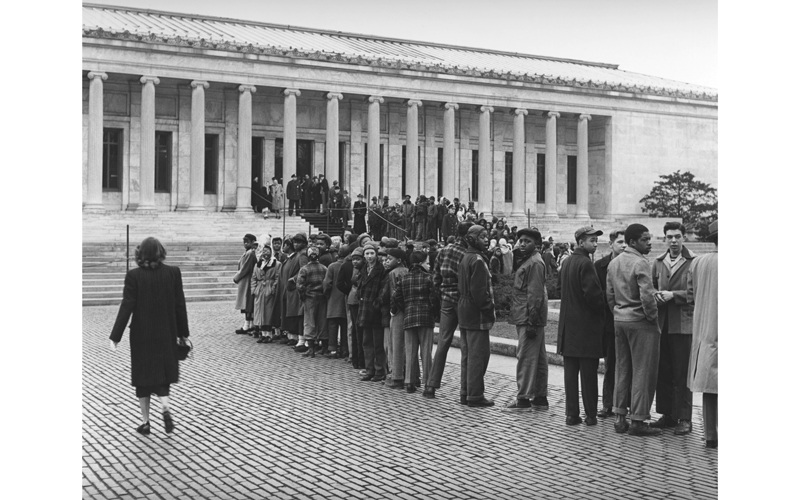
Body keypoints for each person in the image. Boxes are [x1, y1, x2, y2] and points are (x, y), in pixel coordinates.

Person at [110, 237, 189, 435]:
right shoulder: (173, 273)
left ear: (140, 254)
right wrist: (183, 334)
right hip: (166, 332)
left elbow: (127, 306)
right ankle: (165, 406)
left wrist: (115, 336)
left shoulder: (134, 276)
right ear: (161, 252)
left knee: (142, 377)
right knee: (162, 374)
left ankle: (145, 422)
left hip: (141, 334)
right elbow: (180, 305)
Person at [606, 223, 662, 436]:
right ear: (633, 242)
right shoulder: (641, 263)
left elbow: (610, 295)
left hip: (620, 320)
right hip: (640, 322)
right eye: (645, 239)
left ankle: (620, 418)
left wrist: (618, 313)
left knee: (623, 368)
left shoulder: (614, 262)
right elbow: (647, 296)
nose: (649, 243)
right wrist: (652, 318)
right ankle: (638, 420)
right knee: (642, 371)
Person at [557, 226, 607, 426]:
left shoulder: (568, 261)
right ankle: (591, 415)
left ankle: (571, 414)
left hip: (568, 329)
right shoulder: (586, 263)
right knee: (588, 375)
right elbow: (594, 297)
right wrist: (603, 308)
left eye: (596, 240)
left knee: (570, 375)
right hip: (585, 329)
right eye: (591, 240)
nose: (595, 244)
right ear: (580, 243)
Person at [651, 222, 697, 436]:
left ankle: (685, 418)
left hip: (683, 325)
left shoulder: (693, 262)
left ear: (684, 237)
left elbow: (696, 293)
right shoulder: (659, 262)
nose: (673, 241)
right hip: (662, 324)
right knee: (664, 371)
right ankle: (667, 414)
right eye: (669, 237)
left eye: (677, 236)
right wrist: (656, 296)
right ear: (664, 239)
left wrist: (674, 295)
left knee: (682, 372)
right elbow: (650, 286)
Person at [425, 221, 474, 399]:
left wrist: (441, 294)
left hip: (446, 298)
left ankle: (431, 385)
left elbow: (435, 276)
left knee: (443, 342)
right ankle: (464, 390)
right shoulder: (469, 254)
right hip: (462, 300)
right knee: (466, 345)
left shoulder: (444, 250)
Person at [504, 228, 549, 412]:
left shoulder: (535, 263)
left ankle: (523, 399)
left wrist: (532, 321)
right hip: (526, 314)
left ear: (536, 244)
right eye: (520, 240)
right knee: (538, 359)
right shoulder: (528, 260)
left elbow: (536, 295)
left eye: (527, 241)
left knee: (526, 357)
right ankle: (539, 398)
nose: (522, 244)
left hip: (529, 316)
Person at [686, 220, 718, 449]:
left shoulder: (698, 263)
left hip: (705, 330)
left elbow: (690, 297)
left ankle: (710, 434)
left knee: (710, 386)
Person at [458, 224, 496, 407]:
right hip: (476, 313)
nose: (486, 240)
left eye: (487, 236)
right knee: (478, 355)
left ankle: (465, 392)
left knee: (467, 354)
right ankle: (475, 395)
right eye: (482, 237)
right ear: (473, 239)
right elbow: (480, 293)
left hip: (464, 310)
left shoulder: (466, 257)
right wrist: (489, 309)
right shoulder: (478, 260)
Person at [594, 229, 627, 418]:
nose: (623, 245)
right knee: (610, 365)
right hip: (608, 324)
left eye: (625, 242)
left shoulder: (632, 264)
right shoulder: (599, 266)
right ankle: (608, 404)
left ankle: (624, 404)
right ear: (611, 244)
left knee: (626, 365)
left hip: (628, 321)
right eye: (620, 242)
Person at [392, 250, 436, 393]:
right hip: (426, 317)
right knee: (426, 352)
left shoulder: (404, 278)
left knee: (410, 351)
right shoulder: (429, 278)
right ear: (422, 263)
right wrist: (432, 309)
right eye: (428, 262)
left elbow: (396, 297)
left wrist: (406, 307)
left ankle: (409, 382)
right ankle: (429, 383)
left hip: (409, 316)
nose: (430, 265)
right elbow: (435, 297)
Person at [357, 243, 387, 382]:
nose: (369, 256)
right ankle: (369, 369)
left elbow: (383, 289)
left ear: (376, 254)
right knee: (366, 341)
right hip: (364, 307)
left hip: (375, 309)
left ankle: (379, 370)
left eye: (372, 253)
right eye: (367, 254)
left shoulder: (381, 270)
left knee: (378, 342)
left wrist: (378, 302)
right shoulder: (363, 269)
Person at [382, 247, 410, 389]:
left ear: (398, 260)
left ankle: (396, 375)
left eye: (390, 259)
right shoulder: (407, 271)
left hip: (398, 311)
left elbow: (394, 294)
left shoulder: (393, 273)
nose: (387, 261)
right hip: (407, 310)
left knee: (396, 343)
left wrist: (393, 309)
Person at [279, 233, 310, 349]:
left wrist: (294, 279)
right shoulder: (297, 254)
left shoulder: (302, 255)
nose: (296, 244)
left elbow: (304, 270)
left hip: (299, 288)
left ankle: (302, 340)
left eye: (299, 242)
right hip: (294, 288)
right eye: (295, 242)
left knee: (300, 315)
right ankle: (299, 338)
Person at [296, 245, 328, 358]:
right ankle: (324, 347)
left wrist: (303, 296)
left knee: (309, 322)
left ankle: (311, 349)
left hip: (309, 298)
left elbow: (300, 286)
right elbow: (327, 283)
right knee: (322, 321)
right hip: (322, 298)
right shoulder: (324, 268)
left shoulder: (304, 269)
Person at [251, 238, 282, 343]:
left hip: (269, 288)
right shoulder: (258, 264)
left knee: (268, 312)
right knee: (260, 312)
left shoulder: (276, 264)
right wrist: (254, 289)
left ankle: (269, 334)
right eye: (264, 251)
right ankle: (263, 334)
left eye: (267, 251)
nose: (265, 253)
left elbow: (278, 277)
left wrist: (273, 288)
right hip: (259, 289)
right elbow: (254, 277)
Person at [323, 245, 349, 359]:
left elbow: (327, 283)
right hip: (345, 299)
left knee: (333, 325)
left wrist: (327, 295)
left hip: (333, 299)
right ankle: (344, 349)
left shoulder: (332, 266)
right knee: (344, 326)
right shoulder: (348, 265)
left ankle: (332, 350)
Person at [234, 234, 258, 335]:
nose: (245, 244)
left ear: (253, 242)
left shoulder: (250, 253)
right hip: (244, 281)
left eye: (248, 241)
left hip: (247, 280)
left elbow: (245, 268)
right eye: (244, 242)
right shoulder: (247, 253)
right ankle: (249, 324)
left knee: (247, 303)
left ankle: (247, 325)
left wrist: (236, 277)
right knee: (246, 303)